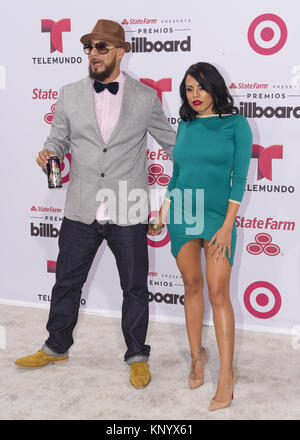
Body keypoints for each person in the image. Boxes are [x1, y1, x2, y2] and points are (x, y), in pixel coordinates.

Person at [15, 19, 176, 389]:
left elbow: (172, 144)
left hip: (128, 208)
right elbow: (57, 140)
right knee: (66, 284)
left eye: (103, 47)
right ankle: (57, 346)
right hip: (81, 208)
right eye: (89, 47)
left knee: (134, 287)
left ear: (121, 50)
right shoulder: (69, 93)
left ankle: (137, 354)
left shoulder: (145, 97)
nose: (94, 54)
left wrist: (210, 151)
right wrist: (48, 153)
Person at [151, 62, 252, 410]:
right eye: (189, 89)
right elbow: (178, 174)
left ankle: (227, 375)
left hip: (217, 219)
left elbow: (239, 178)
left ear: (215, 88)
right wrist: (161, 215)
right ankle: (198, 356)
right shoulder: (186, 126)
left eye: (201, 88)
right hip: (182, 214)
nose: (195, 96)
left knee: (218, 291)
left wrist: (226, 226)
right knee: (191, 285)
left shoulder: (236, 125)